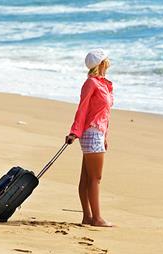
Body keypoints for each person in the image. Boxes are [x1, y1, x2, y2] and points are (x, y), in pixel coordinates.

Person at [65, 49, 113, 227]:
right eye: (106, 60)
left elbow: (103, 114)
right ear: (101, 63)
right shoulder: (91, 84)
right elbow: (82, 108)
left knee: (86, 178)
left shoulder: (103, 84)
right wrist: (74, 132)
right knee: (95, 178)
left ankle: (87, 217)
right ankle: (97, 218)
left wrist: (105, 136)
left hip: (97, 133)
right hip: (91, 133)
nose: (109, 62)